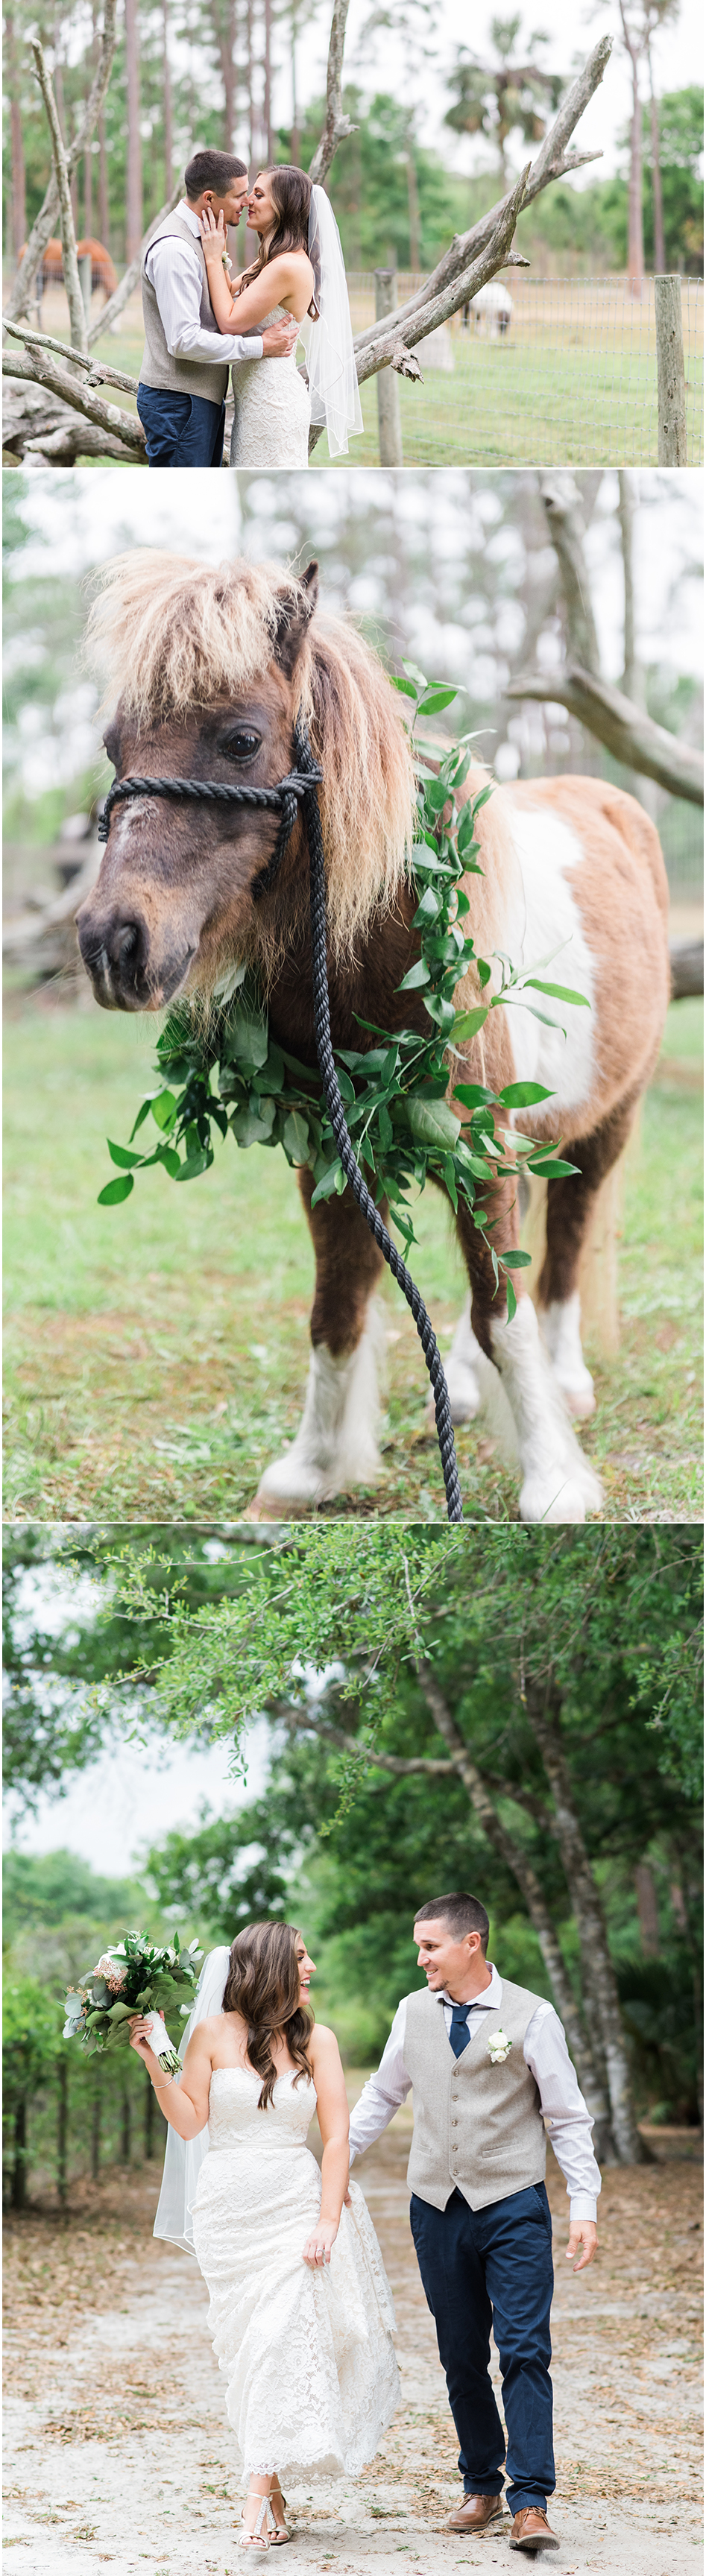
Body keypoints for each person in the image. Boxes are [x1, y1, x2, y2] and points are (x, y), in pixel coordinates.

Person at [130, 1922, 399, 2551]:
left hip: (295, 2204)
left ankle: (252, 2497)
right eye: (301, 1959)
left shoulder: (318, 2041)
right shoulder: (209, 2035)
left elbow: (336, 2137)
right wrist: (153, 2060)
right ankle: (271, 2486)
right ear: (269, 1967)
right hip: (227, 2210)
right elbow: (191, 2123)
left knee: (283, 2337)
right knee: (252, 2351)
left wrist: (327, 2218)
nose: (310, 1969)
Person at [347, 1891, 601, 2556]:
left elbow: (568, 2118)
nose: (420, 1957)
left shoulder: (531, 2015)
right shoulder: (411, 2011)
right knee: (459, 2353)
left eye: (429, 1946)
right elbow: (382, 2095)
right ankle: (481, 2484)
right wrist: (331, 2164)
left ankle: (531, 2501)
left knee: (523, 2349)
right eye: (418, 1946)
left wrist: (584, 2206)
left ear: (471, 1944)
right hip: (434, 2206)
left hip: (513, 2203)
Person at [136, 148, 299, 469]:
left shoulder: (206, 239)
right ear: (210, 199)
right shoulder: (175, 251)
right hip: (179, 403)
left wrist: (219, 258)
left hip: (197, 400)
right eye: (241, 195)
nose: (248, 202)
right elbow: (183, 340)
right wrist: (260, 346)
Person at [198, 162, 364, 466]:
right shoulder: (270, 260)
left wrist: (211, 259)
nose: (248, 201)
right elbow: (230, 293)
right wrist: (220, 252)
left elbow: (230, 321)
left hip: (272, 404)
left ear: (283, 205)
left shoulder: (287, 266)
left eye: (258, 195)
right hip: (255, 402)